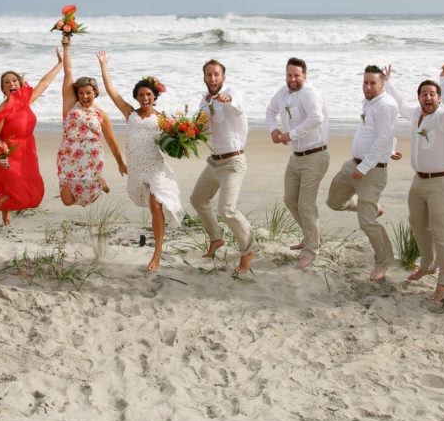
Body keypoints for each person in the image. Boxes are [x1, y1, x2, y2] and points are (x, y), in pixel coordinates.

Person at [385, 65, 444, 301]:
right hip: (419, 181)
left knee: (441, 232)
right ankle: (428, 264)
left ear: (439, 98)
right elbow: (400, 104)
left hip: (442, 182)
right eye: (424, 94)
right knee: (417, 223)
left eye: (432, 94)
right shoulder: (416, 114)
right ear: (420, 98)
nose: (428, 97)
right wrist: (388, 82)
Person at [97, 51, 184, 272]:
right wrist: (103, 65)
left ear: (154, 96)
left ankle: (157, 252)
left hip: (155, 166)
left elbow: (178, 137)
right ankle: (157, 247)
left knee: (156, 205)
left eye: (149, 95)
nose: (145, 98)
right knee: (151, 205)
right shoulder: (130, 113)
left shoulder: (163, 118)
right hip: (137, 168)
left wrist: (183, 137)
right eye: (141, 95)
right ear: (136, 97)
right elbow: (111, 91)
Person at [327, 65, 400, 281]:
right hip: (353, 165)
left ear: (382, 85)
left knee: (367, 222)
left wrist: (365, 166)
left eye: (372, 83)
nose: (368, 87)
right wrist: (391, 150)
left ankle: (383, 262)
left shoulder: (385, 105)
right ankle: (372, 208)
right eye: (365, 82)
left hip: (371, 171)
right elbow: (380, 133)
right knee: (334, 201)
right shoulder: (369, 102)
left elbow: (384, 136)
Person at [0, 50, 63, 226]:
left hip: (28, 151)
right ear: (3, 89)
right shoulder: (2, 109)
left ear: (20, 83)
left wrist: (60, 64)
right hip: (10, 154)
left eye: (14, 80)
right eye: (7, 82)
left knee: (35, 194)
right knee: (21, 196)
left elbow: (44, 83)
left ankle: (4, 210)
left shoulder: (25, 100)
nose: (11, 83)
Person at [190, 59, 254, 275]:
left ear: (223, 77)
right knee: (198, 199)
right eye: (209, 75)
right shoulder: (204, 100)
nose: (213, 78)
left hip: (233, 162)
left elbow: (239, 107)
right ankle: (216, 237)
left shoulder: (232, 93)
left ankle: (248, 250)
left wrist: (229, 100)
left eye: (216, 75)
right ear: (204, 78)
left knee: (227, 209)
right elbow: (202, 128)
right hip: (214, 162)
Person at [265, 58, 329, 269]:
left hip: (315, 155)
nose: (292, 79)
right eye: (289, 75)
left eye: (296, 75)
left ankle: (311, 251)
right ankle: (312, 237)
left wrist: (290, 134)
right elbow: (270, 110)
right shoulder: (283, 92)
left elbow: (316, 118)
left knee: (306, 205)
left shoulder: (309, 93)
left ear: (304, 76)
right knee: (290, 200)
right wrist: (273, 129)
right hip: (296, 157)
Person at [56, 36, 126, 207]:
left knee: (87, 197)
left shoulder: (101, 115)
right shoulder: (70, 105)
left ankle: (98, 183)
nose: (85, 96)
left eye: (88, 93)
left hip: (91, 158)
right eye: (81, 93)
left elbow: (111, 140)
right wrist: (66, 47)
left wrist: (120, 163)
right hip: (68, 157)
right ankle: (99, 183)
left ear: (95, 93)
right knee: (67, 200)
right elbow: (68, 72)